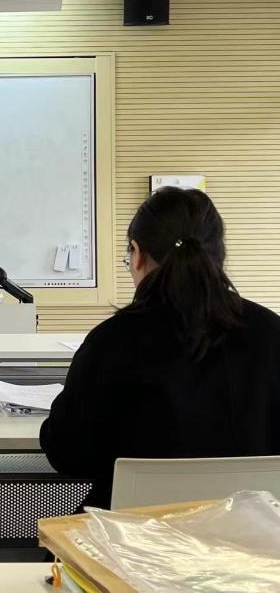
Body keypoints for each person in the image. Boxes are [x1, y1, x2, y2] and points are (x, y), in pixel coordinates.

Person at [41, 187, 280, 508]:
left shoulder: (112, 339)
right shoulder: (271, 332)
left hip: (130, 534)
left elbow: (69, 454)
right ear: (219, 255)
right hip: (251, 532)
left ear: (137, 254)